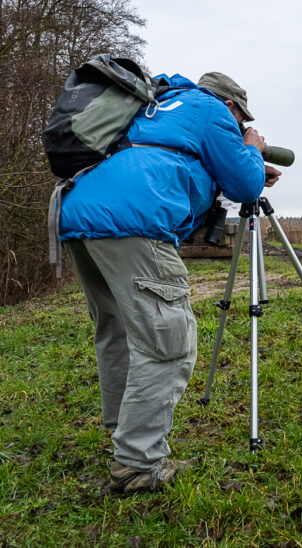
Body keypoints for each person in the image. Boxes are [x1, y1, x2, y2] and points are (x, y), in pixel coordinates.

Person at [58, 71, 280, 492]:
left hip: (81, 213)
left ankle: (124, 435)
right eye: (240, 118)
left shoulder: (156, 106)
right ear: (231, 105)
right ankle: (138, 464)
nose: (238, 125)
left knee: (119, 332)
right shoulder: (209, 107)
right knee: (167, 342)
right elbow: (245, 182)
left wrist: (240, 164)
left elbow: (175, 163)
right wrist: (250, 150)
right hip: (134, 220)